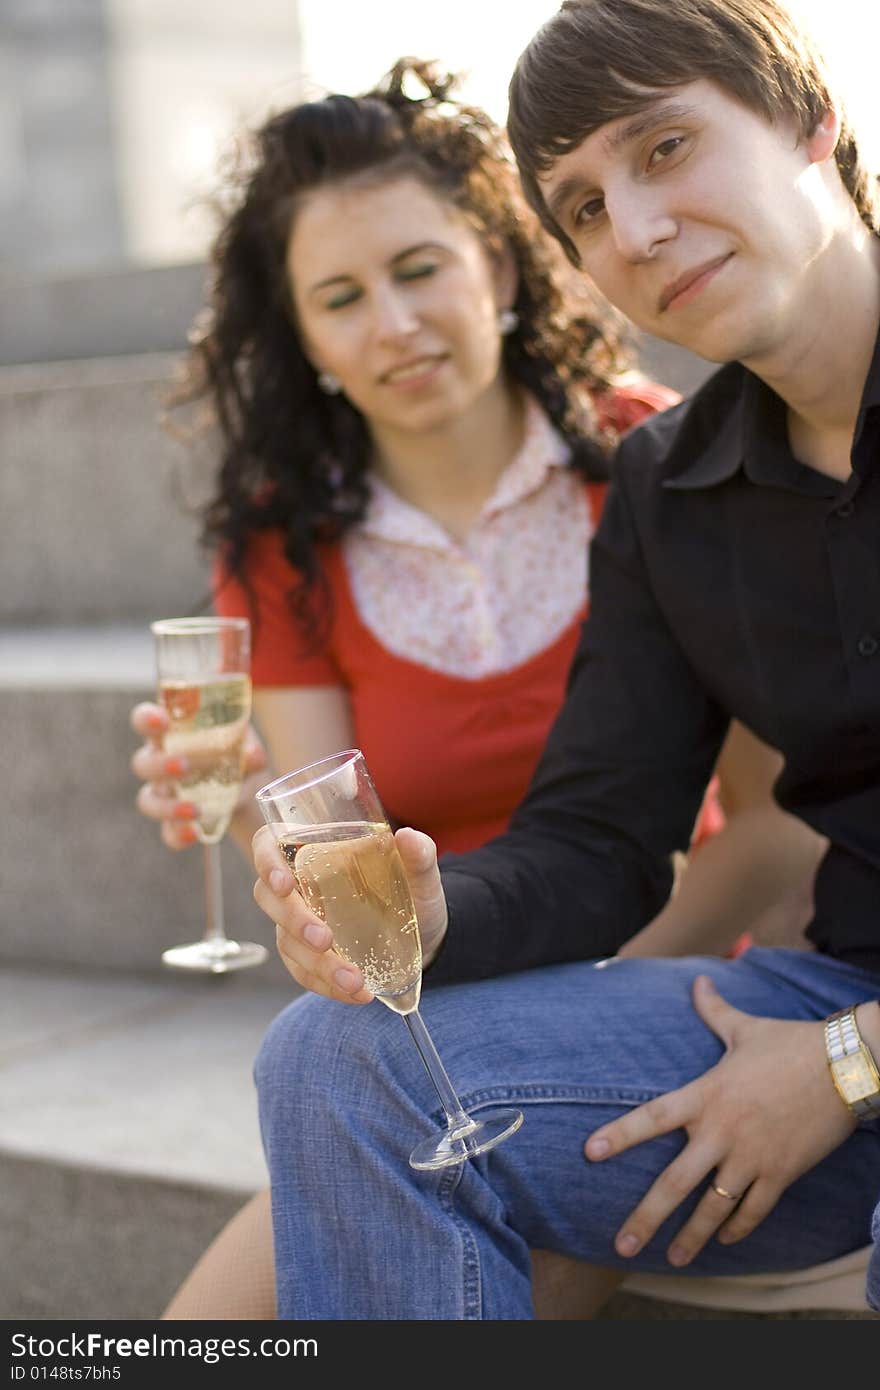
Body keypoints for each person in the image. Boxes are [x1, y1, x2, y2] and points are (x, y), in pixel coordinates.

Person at [130, 57, 822, 1320]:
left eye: (418, 268)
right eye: (339, 298)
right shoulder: (284, 549)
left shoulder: (657, 461)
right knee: (191, 1336)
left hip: (678, 969)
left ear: (497, 268)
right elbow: (328, 849)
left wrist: (606, 992)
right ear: (306, 339)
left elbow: (773, 817)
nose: (392, 324)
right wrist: (237, 817)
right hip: (440, 1004)